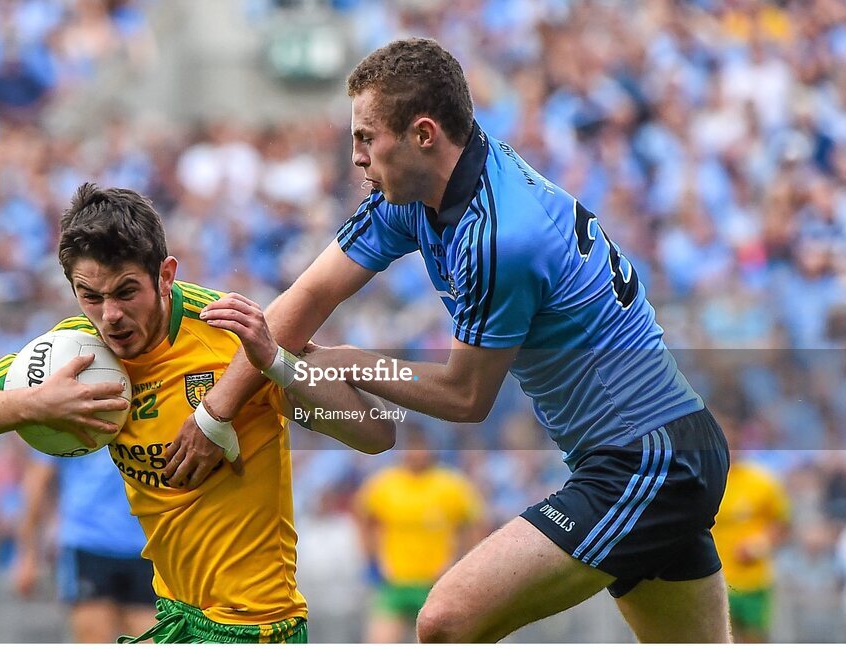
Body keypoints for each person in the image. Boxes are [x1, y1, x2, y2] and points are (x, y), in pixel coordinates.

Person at [165, 38, 732, 642]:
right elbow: (306, 300)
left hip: (648, 460)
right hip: (644, 458)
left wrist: (349, 363)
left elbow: (466, 399)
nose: (354, 156)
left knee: (446, 622)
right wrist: (214, 413)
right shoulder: (412, 192)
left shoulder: (500, 237)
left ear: (424, 134)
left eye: (365, 137)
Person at [0, 183, 397, 643]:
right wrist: (35, 403)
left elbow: (375, 433)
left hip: (253, 626)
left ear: (166, 274)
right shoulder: (74, 349)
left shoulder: (226, 337)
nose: (109, 315)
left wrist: (274, 360)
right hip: (176, 617)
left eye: (126, 291)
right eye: (90, 296)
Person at [13, 450, 158, 643]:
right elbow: (37, 480)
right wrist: (28, 554)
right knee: (94, 638)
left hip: (145, 546)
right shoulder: (62, 422)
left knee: (151, 638)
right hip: (88, 544)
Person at [355, 430, 485, 643]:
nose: (417, 454)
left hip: (436, 584)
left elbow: (475, 523)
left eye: (421, 448)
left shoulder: (451, 484)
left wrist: (463, 563)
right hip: (395, 581)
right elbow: (363, 517)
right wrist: (372, 559)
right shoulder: (385, 483)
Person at [711, 418, 790, 643]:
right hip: (712, 580)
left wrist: (761, 544)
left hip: (753, 581)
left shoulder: (761, 482)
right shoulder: (705, 482)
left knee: (754, 639)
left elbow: (782, 524)